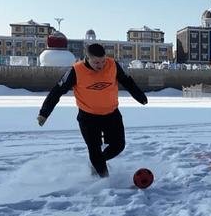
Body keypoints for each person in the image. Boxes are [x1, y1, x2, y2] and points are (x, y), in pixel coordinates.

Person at [37, 43, 148, 177]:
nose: (100, 65)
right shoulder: (76, 71)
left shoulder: (112, 65)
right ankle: (104, 180)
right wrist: (44, 113)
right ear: (87, 58)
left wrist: (139, 96)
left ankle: (97, 162)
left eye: (102, 61)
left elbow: (127, 81)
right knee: (94, 150)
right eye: (96, 62)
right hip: (88, 117)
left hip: (112, 114)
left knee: (118, 146)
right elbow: (57, 91)